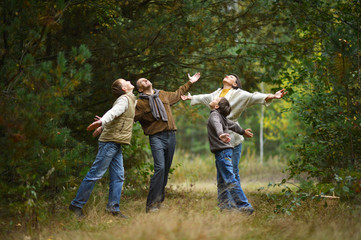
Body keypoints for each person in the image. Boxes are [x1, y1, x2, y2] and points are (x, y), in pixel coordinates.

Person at [182, 74, 287, 183]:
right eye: (228, 75)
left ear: (235, 84)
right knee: (222, 171)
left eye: (232, 77)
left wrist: (273, 96)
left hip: (234, 138)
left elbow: (254, 96)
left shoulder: (240, 94)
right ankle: (224, 198)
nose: (228, 76)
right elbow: (204, 97)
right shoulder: (217, 93)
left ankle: (237, 198)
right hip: (219, 138)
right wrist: (191, 97)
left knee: (233, 171)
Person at [69, 78, 136, 218]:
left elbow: (118, 118)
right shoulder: (124, 100)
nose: (129, 80)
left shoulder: (130, 100)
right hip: (109, 143)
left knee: (118, 176)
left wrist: (102, 126)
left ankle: (113, 209)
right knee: (95, 174)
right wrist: (101, 121)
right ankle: (76, 205)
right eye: (125, 81)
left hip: (116, 142)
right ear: (124, 89)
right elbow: (113, 112)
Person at [134, 72, 200, 213]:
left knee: (165, 171)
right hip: (156, 138)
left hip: (171, 136)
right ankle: (151, 205)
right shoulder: (139, 104)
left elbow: (177, 94)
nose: (145, 80)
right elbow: (128, 117)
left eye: (146, 78)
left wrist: (190, 82)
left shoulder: (162, 94)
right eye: (142, 82)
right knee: (160, 169)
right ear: (140, 89)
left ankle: (158, 202)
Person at [207, 97, 254, 213]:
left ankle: (245, 206)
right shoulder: (221, 117)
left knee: (230, 179)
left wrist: (220, 134)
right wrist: (243, 132)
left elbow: (216, 124)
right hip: (223, 152)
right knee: (222, 181)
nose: (213, 98)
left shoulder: (214, 115)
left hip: (223, 152)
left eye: (216, 99)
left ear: (216, 106)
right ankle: (225, 208)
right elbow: (233, 125)